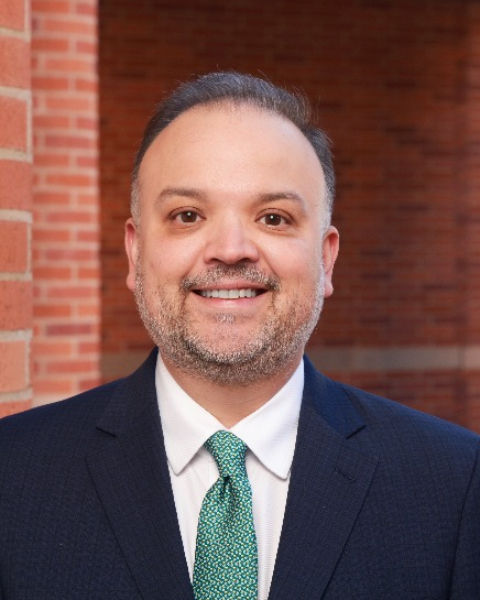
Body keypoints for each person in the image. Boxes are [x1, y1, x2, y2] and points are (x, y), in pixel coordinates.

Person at [0, 72, 479, 600]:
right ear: (136, 253)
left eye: (273, 218)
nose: (230, 249)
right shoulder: (12, 473)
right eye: (187, 215)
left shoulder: (455, 484)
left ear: (325, 258)